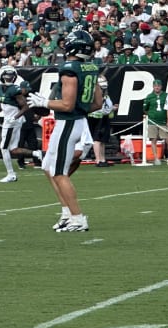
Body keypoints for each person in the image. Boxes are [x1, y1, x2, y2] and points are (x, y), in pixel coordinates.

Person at [28, 30, 102, 232]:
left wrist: (45, 102)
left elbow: (67, 104)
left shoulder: (69, 69)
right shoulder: (91, 68)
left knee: (59, 173)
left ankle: (78, 218)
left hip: (68, 123)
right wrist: (80, 108)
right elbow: (97, 103)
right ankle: (67, 213)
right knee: (47, 167)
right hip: (77, 121)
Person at [0, 67, 42, 182]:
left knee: (3, 148)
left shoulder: (15, 89)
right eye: (6, 76)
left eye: (10, 76)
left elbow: (25, 106)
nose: (8, 78)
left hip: (12, 121)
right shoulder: (0, 88)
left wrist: (14, 117)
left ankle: (11, 174)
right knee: (13, 149)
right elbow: (1, 106)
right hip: (8, 119)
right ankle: (36, 153)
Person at [87, 75, 117, 167]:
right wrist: (111, 109)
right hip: (96, 117)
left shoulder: (105, 94)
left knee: (103, 139)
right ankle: (98, 160)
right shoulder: (94, 94)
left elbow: (107, 106)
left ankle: (103, 159)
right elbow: (99, 107)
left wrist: (111, 108)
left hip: (103, 117)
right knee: (97, 139)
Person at [142, 79, 168, 165]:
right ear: (153, 87)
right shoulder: (149, 96)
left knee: (167, 139)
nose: (157, 87)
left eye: (158, 86)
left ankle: (167, 156)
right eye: (155, 86)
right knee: (153, 139)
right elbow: (145, 109)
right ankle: (156, 158)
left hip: (163, 121)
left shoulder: (166, 95)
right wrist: (151, 115)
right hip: (152, 121)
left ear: (161, 86)